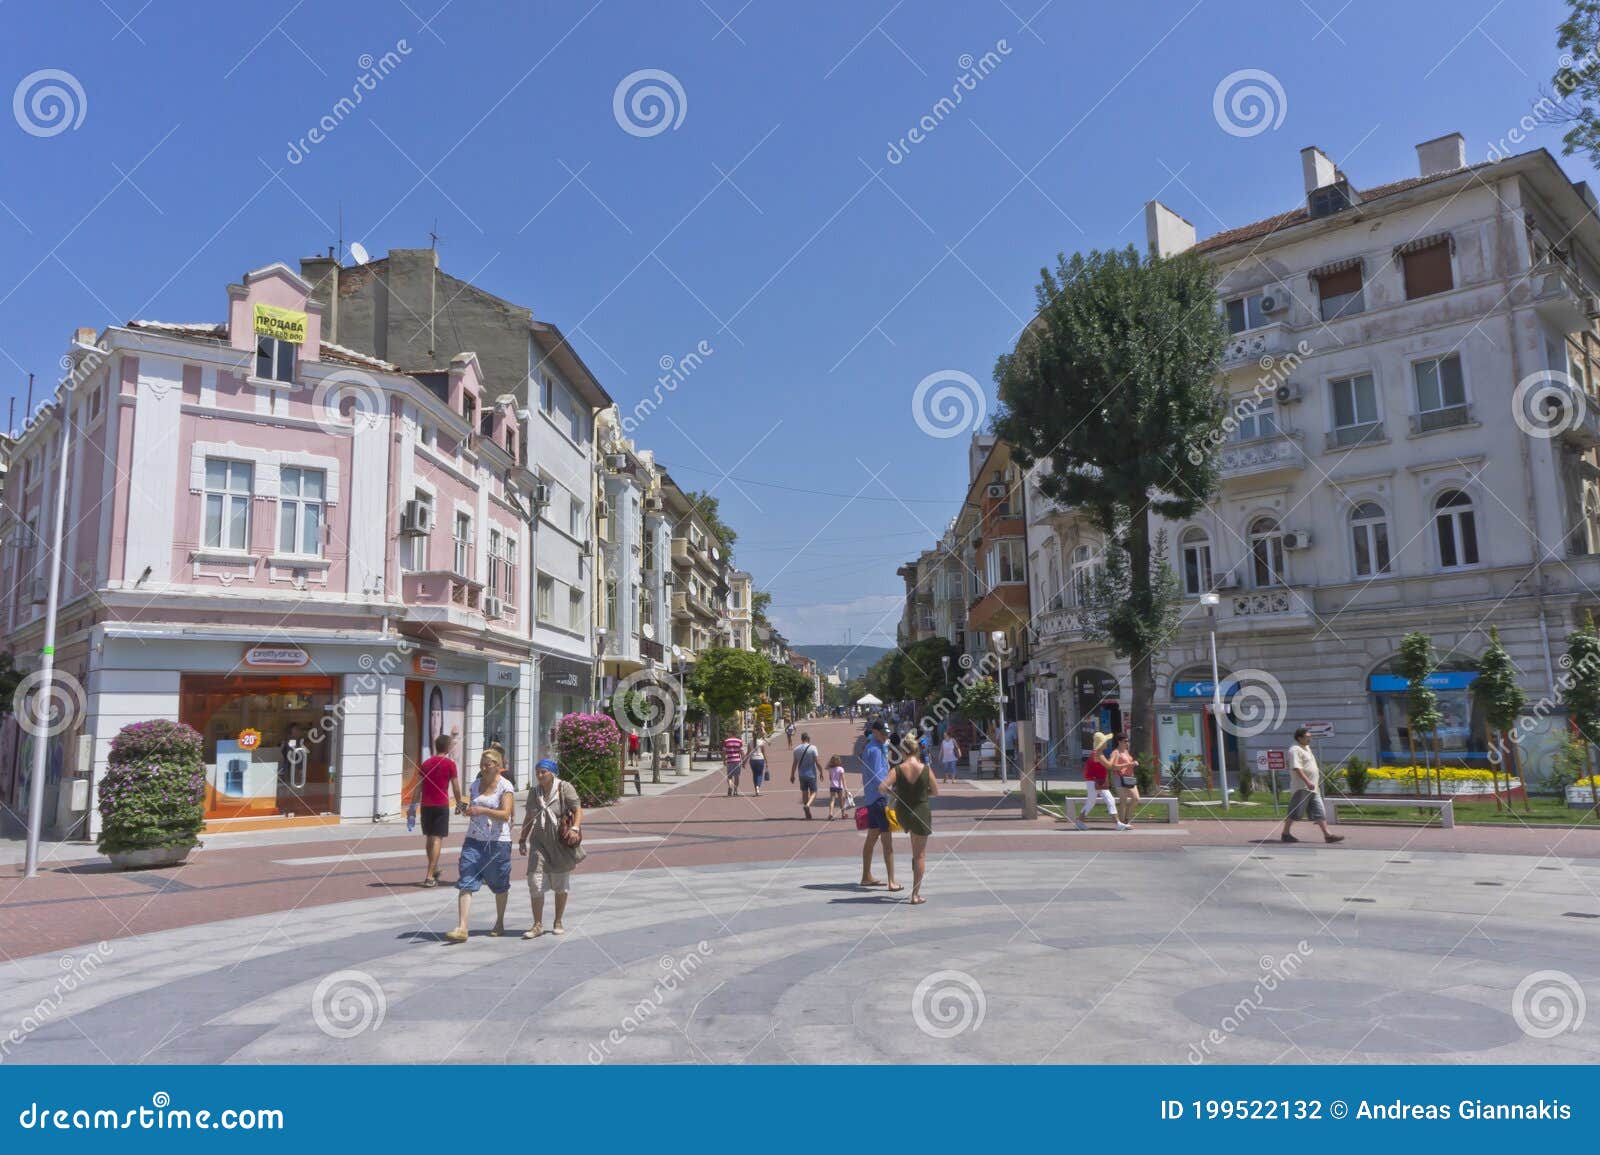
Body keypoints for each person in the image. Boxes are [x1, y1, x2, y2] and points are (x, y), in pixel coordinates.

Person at [443, 749, 516, 943]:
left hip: (498, 841)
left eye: (488, 764)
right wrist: (466, 810)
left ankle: (499, 922)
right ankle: (462, 927)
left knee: (499, 884)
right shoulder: (475, 785)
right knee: (466, 878)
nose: (483, 768)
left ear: (498, 766)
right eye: (482, 764)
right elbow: (473, 808)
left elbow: (506, 814)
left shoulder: (505, 786)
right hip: (473, 840)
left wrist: (482, 809)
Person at [518, 757, 585, 937]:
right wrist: (522, 838)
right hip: (538, 843)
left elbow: (577, 809)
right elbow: (529, 816)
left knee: (560, 883)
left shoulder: (564, 788)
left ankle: (558, 920)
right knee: (534, 881)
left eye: (543, 772)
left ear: (552, 773)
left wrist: (575, 828)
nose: (539, 775)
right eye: (537, 772)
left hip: (560, 843)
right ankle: (537, 924)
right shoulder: (534, 792)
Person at [883, 741, 938, 903]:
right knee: (920, 855)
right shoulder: (926, 769)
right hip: (921, 811)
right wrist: (922, 793)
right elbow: (935, 791)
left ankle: (914, 876)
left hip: (904, 813)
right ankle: (915, 894)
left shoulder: (898, 769)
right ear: (917, 751)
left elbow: (882, 787)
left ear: (903, 751)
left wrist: (897, 794)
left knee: (915, 851)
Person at [1280, 727, 1346, 845]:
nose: (1310, 739)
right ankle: (1285, 834)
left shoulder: (1306, 747)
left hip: (1313, 787)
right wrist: (1307, 782)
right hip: (1302, 787)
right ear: (1300, 738)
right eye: (1307, 737)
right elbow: (1296, 768)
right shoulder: (1294, 749)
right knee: (1295, 812)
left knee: (1319, 811)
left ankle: (1328, 835)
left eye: (1310, 737)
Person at [414, 733, 463, 887]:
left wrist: (412, 807)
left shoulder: (426, 763)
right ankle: (429, 876)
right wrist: (459, 803)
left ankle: (433, 869)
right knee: (437, 839)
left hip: (426, 805)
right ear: (448, 747)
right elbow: (455, 786)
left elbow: (418, 787)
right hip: (441, 805)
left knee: (429, 837)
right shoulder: (450, 764)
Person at [859, 719, 901, 891]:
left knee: (872, 837)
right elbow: (878, 777)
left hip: (871, 798)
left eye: (886, 734)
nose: (885, 736)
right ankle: (891, 881)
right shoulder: (875, 749)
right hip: (880, 798)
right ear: (875, 732)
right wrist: (891, 791)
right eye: (883, 733)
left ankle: (866, 876)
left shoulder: (872, 747)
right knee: (887, 840)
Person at [1074, 731, 1126, 830]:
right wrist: (1115, 757)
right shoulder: (1098, 754)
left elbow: (1108, 766)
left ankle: (1080, 821)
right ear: (1101, 743)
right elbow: (1110, 766)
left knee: (1095, 802)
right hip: (1095, 782)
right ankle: (1118, 823)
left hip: (1096, 782)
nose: (1107, 743)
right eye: (1105, 741)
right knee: (1106, 800)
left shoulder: (1098, 753)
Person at [1108, 734, 1139, 829]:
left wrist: (1133, 764)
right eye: (1125, 741)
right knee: (1123, 801)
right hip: (1119, 778)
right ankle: (1122, 822)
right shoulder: (1115, 753)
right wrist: (1129, 764)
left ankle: (1126, 818)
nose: (1127, 743)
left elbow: (1129, 763)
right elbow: (1113, 766)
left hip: (1129, 778)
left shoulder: (1126, 751)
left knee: (1136, 798)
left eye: (1128, 741)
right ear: (1119, 742)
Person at [791, 731, 821, 818]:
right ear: (808, 739)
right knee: (814, 792)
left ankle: (807, 813)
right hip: (811, 774)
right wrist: (821, 771)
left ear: (801, 739)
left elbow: (794, 764)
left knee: (804, 792)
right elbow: (817, 761)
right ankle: (808, 805)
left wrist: (792, 775)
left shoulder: (796, 749)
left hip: (801, 774)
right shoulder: (813, 748)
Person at [723, 729, 746, 796]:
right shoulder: (739, 741)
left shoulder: (726, 741)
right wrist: (743, 761)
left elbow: (724, 752)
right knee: (737, 776)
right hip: (737, 761)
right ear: (735, 734)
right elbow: (742, 752)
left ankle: (730, 786)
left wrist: (724, 760)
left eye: (728, 733)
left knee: (729, 776)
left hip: (729, 760)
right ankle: (735, 790)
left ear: (731, 733)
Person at [826, 754, 848, 819]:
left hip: (832, 786)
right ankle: (843, 814)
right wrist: (846, 788)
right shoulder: (841, 769)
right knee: (841, 801)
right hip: (839, 787)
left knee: (832, 800)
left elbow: (830, 778)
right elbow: (843, 779)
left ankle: (830, 813)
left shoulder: (830, 769)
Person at [749, 730, 768, 797]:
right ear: (758, 735)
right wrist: (766, 761)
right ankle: (758, 787)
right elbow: (764, 752)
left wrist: (744, 762)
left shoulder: (750, 742)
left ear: (752, 735)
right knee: (759, 774)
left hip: (752, 760)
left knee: (754, 774)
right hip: (760, 759)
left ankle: (756, 788)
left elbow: (748, 753)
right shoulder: (761, 742)